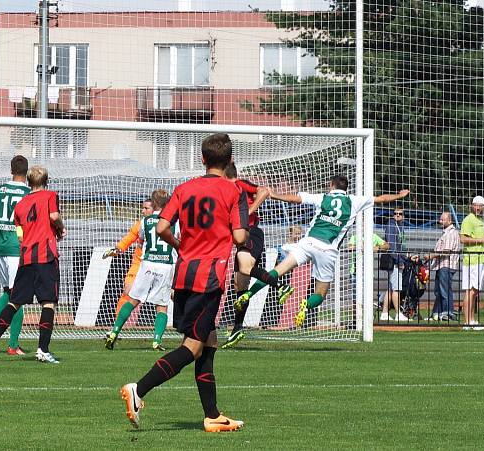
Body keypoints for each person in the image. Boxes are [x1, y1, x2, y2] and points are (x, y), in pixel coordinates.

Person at [120, 133, 248, 433]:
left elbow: (163, 227)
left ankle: (213, 415)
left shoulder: (184, 188)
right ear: (229, 160)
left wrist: (181, 246)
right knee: (192, 347)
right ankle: (138, 389)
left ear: (202, 159)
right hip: (210, 276)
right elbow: (241, 237)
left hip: (184, 272)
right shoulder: (233, 191)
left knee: (209, 341)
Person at [235, 175, 409, 328]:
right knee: (320, 293)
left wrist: (274, 194)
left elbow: (295, 199)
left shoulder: (323, 197)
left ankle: (249, 293)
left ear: (331, 185)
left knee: (275, 272)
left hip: (308, 243)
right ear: (345, 188)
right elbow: (381, 199)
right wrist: (399, 196)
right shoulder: (355, 200)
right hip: (328, 250)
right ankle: (305, 305)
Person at [0, 165, 66, 364]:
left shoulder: (21, 204)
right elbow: (54, 216)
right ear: (46, 181)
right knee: (48, 303)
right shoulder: (50, 195)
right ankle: (43, 350)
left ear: (29, 182)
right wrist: (60, 229)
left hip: (25, 257)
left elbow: (19, 234)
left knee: (14, 301)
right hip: (45, 256)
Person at [105, 189, 175, 351]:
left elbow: (142, 238)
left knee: (132, 300)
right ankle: (156, 340)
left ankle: (114, 331)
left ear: (154, 203)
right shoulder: (174, 221)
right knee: (161, 306)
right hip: (165, 265)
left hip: (147, 264)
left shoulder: (144, 221)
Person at [221, 162, 273, 349]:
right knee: (239, 284)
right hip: (240, 234)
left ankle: (280, 285)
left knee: (244, 269)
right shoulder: (227, 191)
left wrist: (249, 212)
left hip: (251, 231)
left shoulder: (240, 184)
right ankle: (237, 327)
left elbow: (265, 190)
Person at [0, 155, 31, 355]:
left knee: (9, 292)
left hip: (1, 246)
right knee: (17, 296)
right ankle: (12, 344)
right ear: (26, 173)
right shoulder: (29, 193)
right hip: (17, 248)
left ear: (11, 170)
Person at [102, 199, 154, 322]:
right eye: (143, 208)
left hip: (157, 263)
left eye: (146, 208)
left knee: (169, 296)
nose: (143, 211)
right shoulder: (140, 224)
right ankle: (116, 327)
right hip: (139, 264)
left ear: (155, 209)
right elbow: (129, 238)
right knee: (127, 291)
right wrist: (118, 249)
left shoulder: (164, 224)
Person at [460, 196, 484, 327]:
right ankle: (467, 321)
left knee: (474, 291)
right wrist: (483, 240)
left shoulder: (480, 220)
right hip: (472, 259)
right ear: (472, 205)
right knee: (470, 290)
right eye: (476, 205)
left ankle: (472, 320)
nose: (479, 208)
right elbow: (463, 239)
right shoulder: (468, 220)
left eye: (481, 206)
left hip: (481, 258)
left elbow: (483, 238)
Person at [422, 212, 460, 321]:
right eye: (440, 219)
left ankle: (447, 313)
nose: (440, 221)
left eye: (443, 220)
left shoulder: (450, 234)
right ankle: (436, 313)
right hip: (442, 265)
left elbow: (446, 251)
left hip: (446, 265)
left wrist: (431, 256)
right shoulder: (446, 233)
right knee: (439, 291)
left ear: (450, 221)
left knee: (444, 291)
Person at [382, 208, 410, 321]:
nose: (397, 215)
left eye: (400, 214)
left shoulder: (401, 226)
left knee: (391, 288)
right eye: (395, 213)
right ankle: (398, 313)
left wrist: (407, 256)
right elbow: (392, 246)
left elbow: (401, 245)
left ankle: (384, 313)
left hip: (398, 258)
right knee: (396, 288)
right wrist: (399, 261)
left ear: (403, 216)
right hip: (394, 261)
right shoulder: (392, 225)